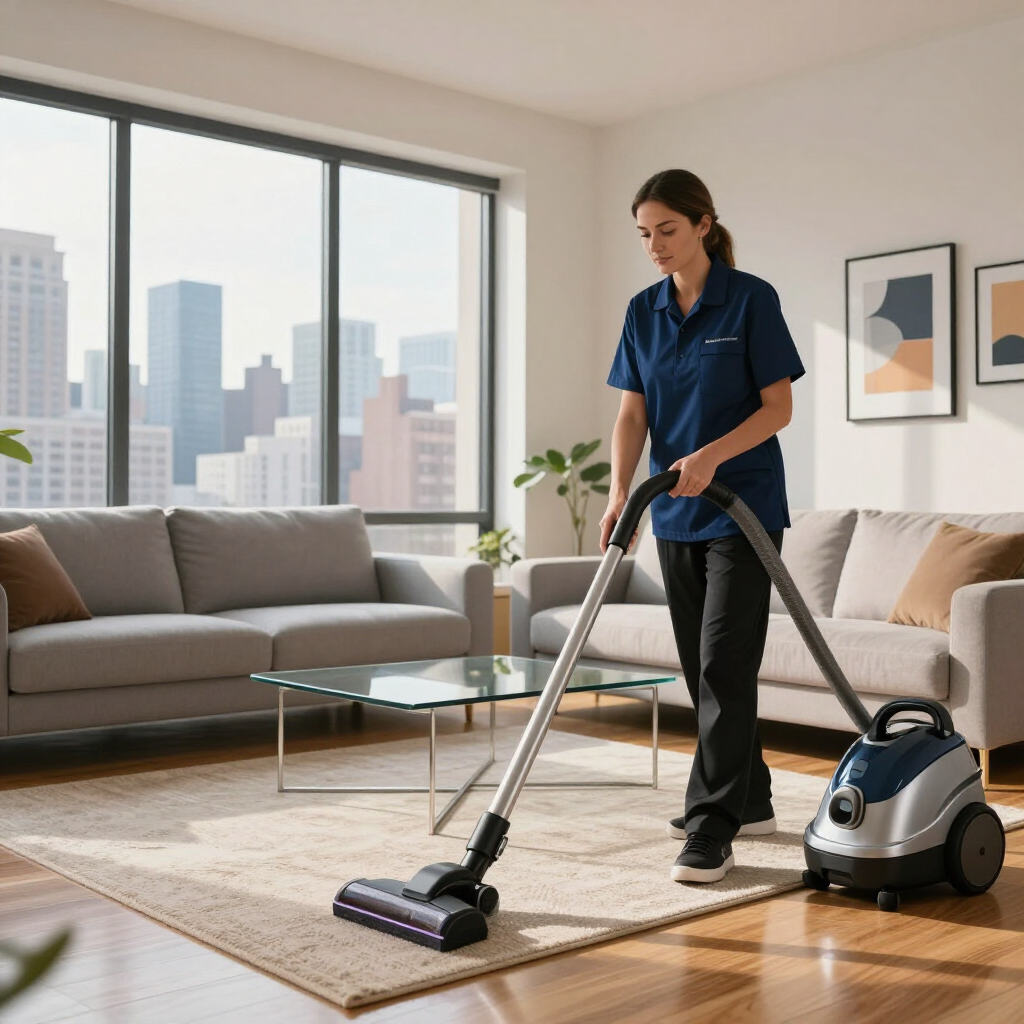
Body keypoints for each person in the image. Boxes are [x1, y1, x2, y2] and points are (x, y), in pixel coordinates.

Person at [600, 169, 805, 884]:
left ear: (704, 226)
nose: (655, 245)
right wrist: (622, 491)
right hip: (674, 514)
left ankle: (712, 825)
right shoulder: (642, 311)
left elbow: (777, 409)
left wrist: (709, 457)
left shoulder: (750, 300)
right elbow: (632, 414)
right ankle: (750, 799)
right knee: (702, 666)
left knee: (723, 660)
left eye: (667, 229)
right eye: (645, 234)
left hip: (743, 509)